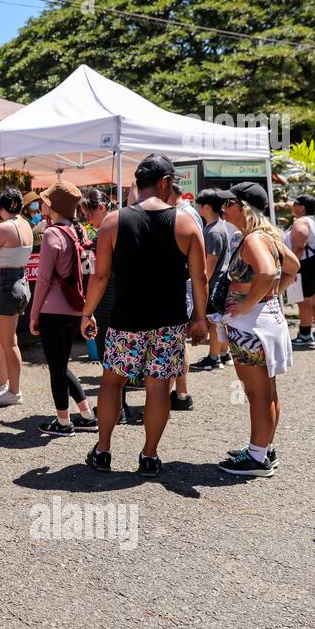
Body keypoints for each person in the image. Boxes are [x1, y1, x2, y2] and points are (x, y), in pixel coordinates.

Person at [80, 155, 208, 477]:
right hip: (169, 323)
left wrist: (87, 313)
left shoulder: (113, 221)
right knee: (157, 388)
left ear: (138, 183)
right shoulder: (186, 224)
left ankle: (103, 450)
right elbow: (200, 277)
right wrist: (200, 318)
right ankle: (149, 456)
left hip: (126, 320)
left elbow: (99, 276)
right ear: (165, 182)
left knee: (111, 384)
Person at [216, 182, 301, 477]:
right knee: (267, 391)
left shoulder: (254, 239)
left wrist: (247, 303)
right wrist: (273, 292)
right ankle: (263, 448)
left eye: (229, 204)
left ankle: (256, 457)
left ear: (244, 207)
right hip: (265, 323)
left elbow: (266, 272)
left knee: (257, 393)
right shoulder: (269, 236)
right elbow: (293, 266)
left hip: (251, 327)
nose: (223, 208)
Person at [30, 180, 98, 437]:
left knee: (56, 368)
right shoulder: (78, 231)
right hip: (74, 307)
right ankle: (86, 414)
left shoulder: (51, 234)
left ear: (53, 205)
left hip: (52, 310)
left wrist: (34, 314)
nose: (43, 205)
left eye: (46, 201)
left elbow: (44, 278)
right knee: (61, 364)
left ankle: (62, 421)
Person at [80, 188, 136, 425]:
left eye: (88, 212)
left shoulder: (106, 231)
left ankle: (117, 410)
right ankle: (120, 407)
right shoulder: (126, 226)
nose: (87, 218)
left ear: (101, 207)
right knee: (119, 357)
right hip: (125, 297)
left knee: (110, 358)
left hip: (108, 299)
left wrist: (87, 312)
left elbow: (97, 274)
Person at [0, 187, 33, 407]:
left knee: (9, 341)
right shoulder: (26, 225)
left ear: (2, 207)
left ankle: (15, 390)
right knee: (7, 339)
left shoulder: (3, 228)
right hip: (20, 281)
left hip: (5, 284)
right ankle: (4, 382)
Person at [189, 188, 241, 371]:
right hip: (222, 281)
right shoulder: (221, 226)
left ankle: (213, 357)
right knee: (219, 322)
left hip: (213, 283)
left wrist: (201, 284)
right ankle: (224, 353)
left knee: (212, 322)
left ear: (207, 206)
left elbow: (209, 263)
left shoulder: (213, 231)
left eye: (199, 204)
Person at [165, 180, 204, 411]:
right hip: (185, 284)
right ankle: (179, 393)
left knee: (177, 341)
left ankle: (177, 393)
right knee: (179, 342)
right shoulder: (186, 212)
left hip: (183, 284)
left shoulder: (184, 214)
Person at [287, 194, 315, 348]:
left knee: (304, 301)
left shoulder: (302, 221)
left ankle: (305, 334)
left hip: (306, 264)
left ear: (302, 207)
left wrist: (292, 267)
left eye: (294, 204)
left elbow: (300, 245)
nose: (292, 206)